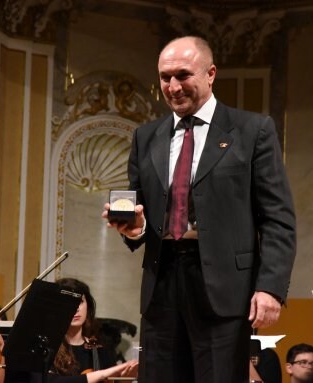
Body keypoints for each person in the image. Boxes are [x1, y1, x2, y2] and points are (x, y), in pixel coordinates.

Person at [102, 35, 296, 383]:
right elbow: (140, 211)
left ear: (211, 74)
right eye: (165, 77)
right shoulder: (146, 137)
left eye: (183, 75)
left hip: (224, 289)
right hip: (161, 285)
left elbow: (278, 218)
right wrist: (136, 229)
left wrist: (270, 288)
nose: (173, 86)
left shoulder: (252, 130)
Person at [6, 278, 138, 383]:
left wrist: (126, 379)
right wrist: (99, 375)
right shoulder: (44, 347)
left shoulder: (101, 349)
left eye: (80, 302)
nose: (75, 309)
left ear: (88, 307)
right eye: (69, 303)